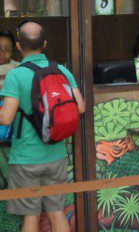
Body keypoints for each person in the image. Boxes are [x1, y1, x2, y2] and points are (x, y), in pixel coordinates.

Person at [0, 20, 85, 232]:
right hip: (56, 155)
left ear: (19, 46)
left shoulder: (16, 75)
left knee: (31, 218)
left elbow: (6, 118)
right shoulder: (62, 71)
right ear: (44, 44)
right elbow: (80, 107)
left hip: (26, 158)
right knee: (57, 214)